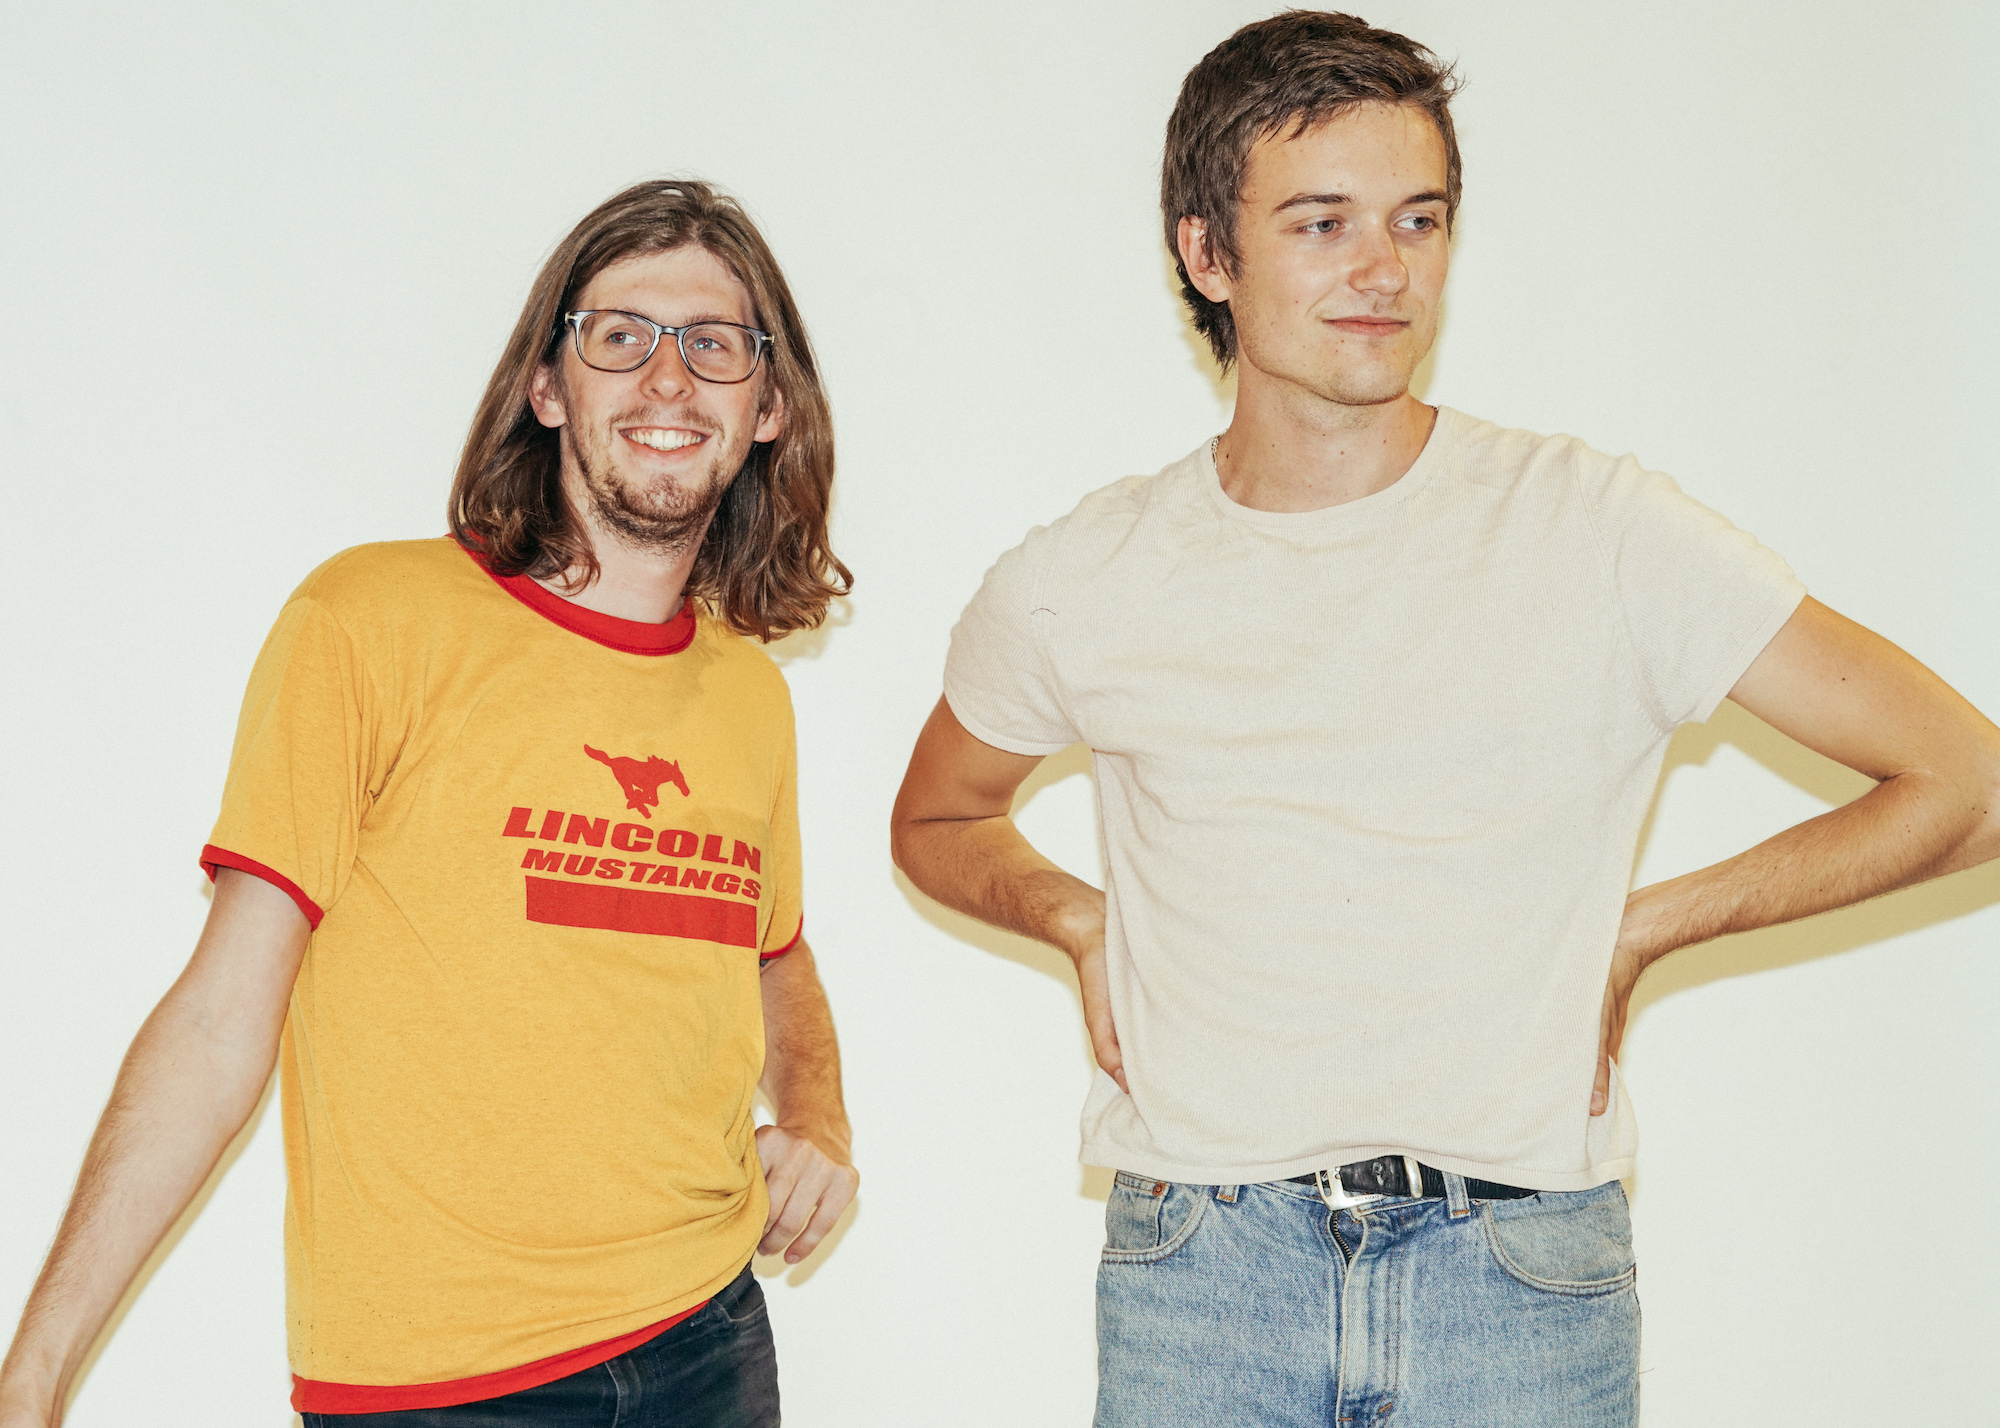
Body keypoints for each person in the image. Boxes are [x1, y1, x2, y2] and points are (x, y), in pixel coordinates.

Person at [890, 13, 2000, 1427]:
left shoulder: (1597, 530)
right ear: (1207, 253)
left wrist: (1645, 929)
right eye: (1321, 223)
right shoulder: (1085, 575)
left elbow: (1967, 779)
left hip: (1520, 1280)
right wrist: (1072, 916)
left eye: (1416, 220)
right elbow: (936, 816)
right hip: (1204, 1277)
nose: (1383, 269)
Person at [0, 179, 857, 1428]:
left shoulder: (745, 693)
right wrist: (32, 1377)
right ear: (547, 387)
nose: (668, 378)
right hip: (435, 1384)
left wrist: (819, 1116)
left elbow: (771, 950)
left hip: (707, 1342)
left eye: (713, 345)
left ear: (768, 406)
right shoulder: (367, 621)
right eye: (619, 336)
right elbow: (221, 1019)